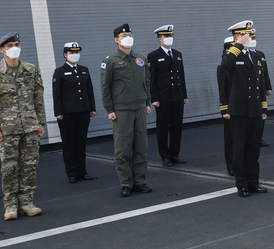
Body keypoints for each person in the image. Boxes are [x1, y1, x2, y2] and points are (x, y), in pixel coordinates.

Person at [0, 33, 45, 221]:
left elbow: (38, 97)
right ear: (2, 49)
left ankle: (27, 202)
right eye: (9, 45)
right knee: (9, 167)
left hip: (30, 126)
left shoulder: (31, 70)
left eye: (16, 44)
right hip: (7, 130)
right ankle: (10, 205)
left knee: (30, 166)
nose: (14, 48)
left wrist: (40, 122)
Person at [100, 24, 153, 197]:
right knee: (122, 149)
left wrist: (147, 103)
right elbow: (105, 87)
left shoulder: (140, 58)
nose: (127, 37)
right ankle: (126, 183)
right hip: (121, 111)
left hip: (139, 108)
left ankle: (140, 181)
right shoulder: (110, 60)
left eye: (129, 34)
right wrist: (109, 108)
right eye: (124, 35)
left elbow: (146, 82)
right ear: (116, 40)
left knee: (141, 147)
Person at [220, 20, 268, 197]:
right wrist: (237, 44)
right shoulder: (232, 55)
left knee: (253, 149)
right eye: (245, 34)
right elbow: (225, 66)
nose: (249, 37)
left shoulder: (255, 56)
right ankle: (242, 185)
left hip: (254, 110)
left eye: (249, 34)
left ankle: (254, 182)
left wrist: (264, 108)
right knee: (239, 149)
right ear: (236, 36)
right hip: (239, 111)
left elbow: (260, 84)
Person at [52, 42, 97, 184]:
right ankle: (72, 173)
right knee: (68, 143)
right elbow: (56, 94)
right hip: (67, 113)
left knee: (81, 143)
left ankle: (82, 171)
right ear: (65, 54)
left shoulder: (84, 70)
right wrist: (58, 112)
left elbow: (89, 90)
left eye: (76, 52)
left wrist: (92, 108)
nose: (74, 55)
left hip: (83, 111)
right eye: (71, 52)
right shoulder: (59, 71)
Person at [147, 25, 188, 167]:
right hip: (163, 97)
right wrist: (154, 98)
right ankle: (165, 156)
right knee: (163, 127)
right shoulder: (154, 56)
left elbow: (181, 76)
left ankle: (175, 153)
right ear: (160, 39)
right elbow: (151, 79)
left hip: (177, 95)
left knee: (177, 126)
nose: (169, 39)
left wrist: (184, 94)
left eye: (171, 36)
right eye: (166, 36)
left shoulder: (177, 54)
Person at [250, 29, 272, 148]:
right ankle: (253, 138)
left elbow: (265, 72)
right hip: (252, 90)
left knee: (262, 113)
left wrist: (268, 87)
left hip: (261, 89)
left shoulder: (260, 54)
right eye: (251, 38)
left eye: (254, 38)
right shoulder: (247, 55)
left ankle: (259, 137)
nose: (253, 41)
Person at [218, 36, 235, 176]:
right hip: (230, 107)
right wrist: (225, 109)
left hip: (240, 107)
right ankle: (231, 165)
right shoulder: (223, 67)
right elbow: (222, 89)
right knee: (230, 139)